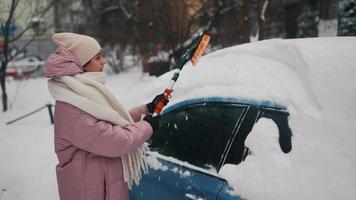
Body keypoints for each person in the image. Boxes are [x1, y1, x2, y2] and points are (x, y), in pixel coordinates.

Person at [43, 32, 167, 200]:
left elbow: (108, 124)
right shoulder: (72, 108)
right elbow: (117, 140)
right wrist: (148, 126)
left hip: (103, 187)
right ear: (81, 65)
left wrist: (146, 109)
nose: (104, 61)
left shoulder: (81, 95)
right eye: (98, 58)